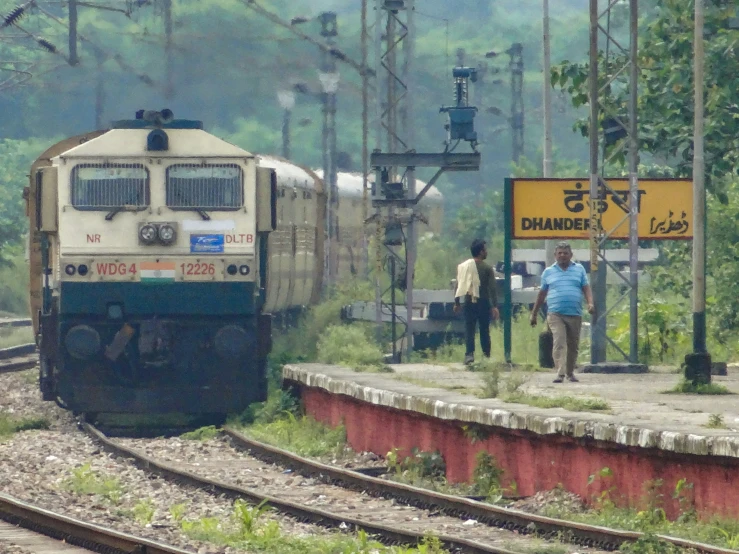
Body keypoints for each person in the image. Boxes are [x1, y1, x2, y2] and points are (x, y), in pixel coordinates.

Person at [530, 242, 595, 383]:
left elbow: (586, 288)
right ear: (555, 255)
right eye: (559, 253)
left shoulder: (579, 270)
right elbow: (542, 294)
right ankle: (560, 373)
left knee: (573, 344)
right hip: (555, 313)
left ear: (571, 255)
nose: (562, 255)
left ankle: (570, 373)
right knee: (559, 341)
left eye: (565, 253)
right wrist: (534, 313)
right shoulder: (548, 272)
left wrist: (590, 303)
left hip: (574, 312)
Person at [453, 239, 500, 365]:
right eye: (485, 250)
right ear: (480, 252)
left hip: (468, 302)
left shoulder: (464, 267)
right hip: (483, 303)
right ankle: (486, 355)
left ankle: (469, 355)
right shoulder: (487, 268)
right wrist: (494, 306)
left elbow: (458, 285)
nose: (486, 252)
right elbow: (492, 288)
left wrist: (457, 302)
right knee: (484, 330)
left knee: (469, 329)